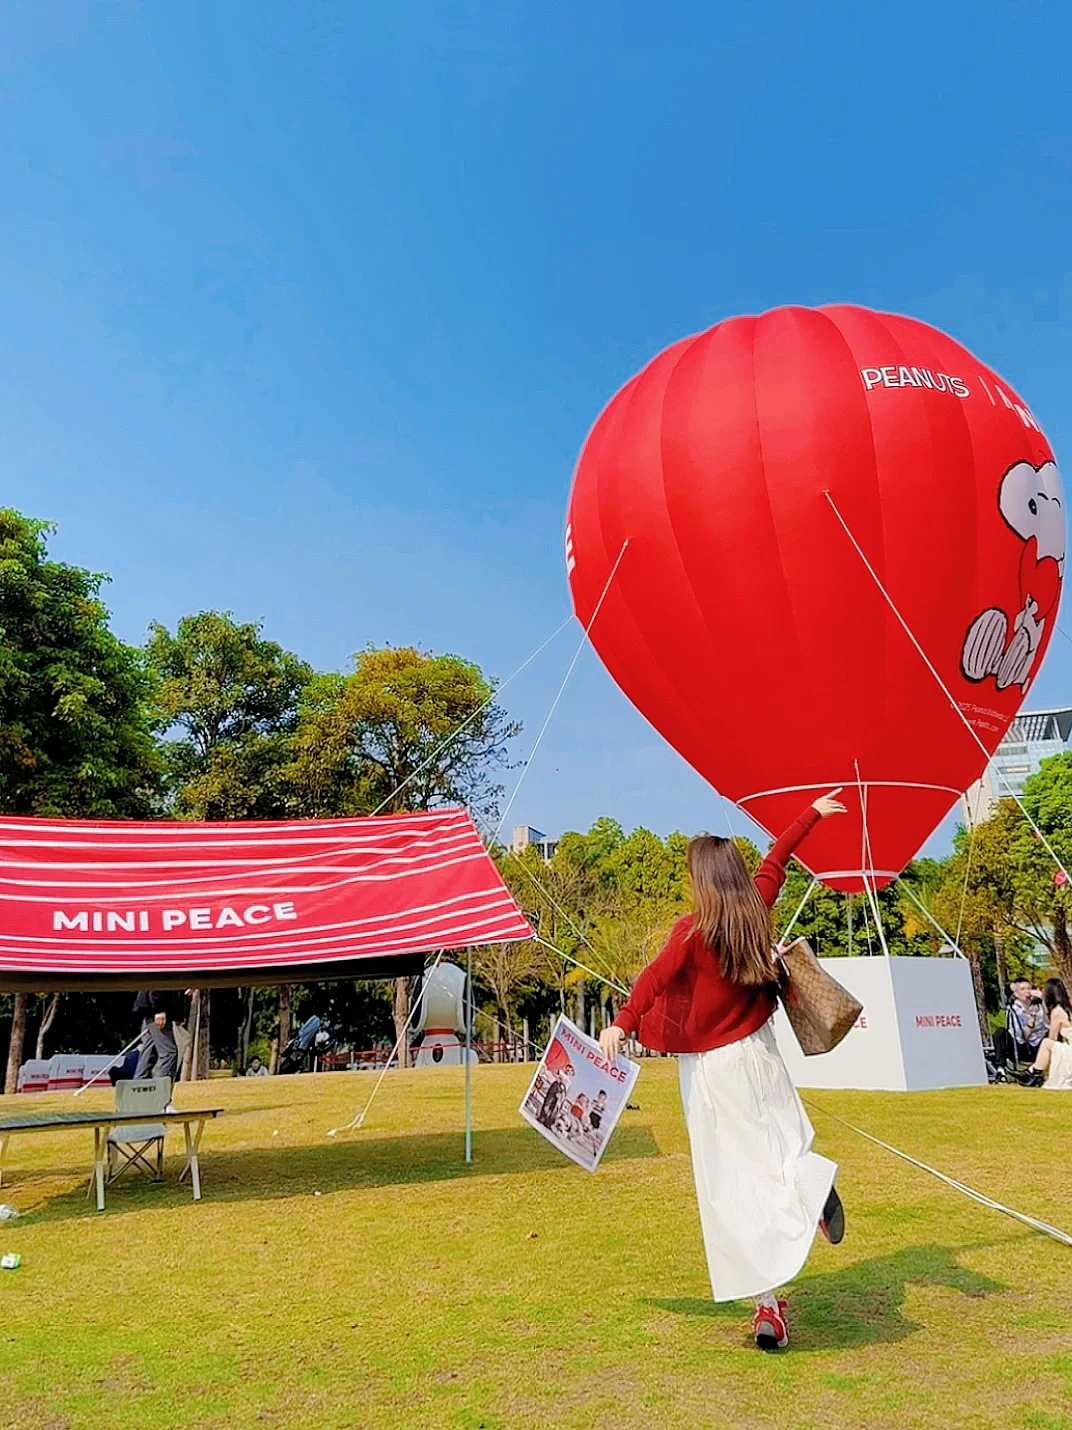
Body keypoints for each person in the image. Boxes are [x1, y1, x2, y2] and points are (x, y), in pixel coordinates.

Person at [600, 790, 847, 1352]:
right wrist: (812, 814)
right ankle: (811, 1190)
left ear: (702, 880)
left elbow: (651, 979)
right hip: (762, 1055)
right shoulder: (755, 906)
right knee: (781, 1151)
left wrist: (621, 1023)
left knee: (733, 1186)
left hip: (714, 1072)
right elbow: (776, 860)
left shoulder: (693, 932)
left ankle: (768, 1305)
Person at [1022, 978, 1072, 1090]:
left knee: (1046, 1042)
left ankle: (1035, 1071)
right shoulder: (1067, 1008)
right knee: (1048, 1043)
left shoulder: (1057, 1012)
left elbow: (1052, 1037)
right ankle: (1035, 1071)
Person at [133, 990, 188, 1082]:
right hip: (156, 1008)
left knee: (149, 1052)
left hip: (151, 1007)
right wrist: (158, 1009)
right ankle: (161, 1092)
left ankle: (136, 1088)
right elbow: (157, 982)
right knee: (169, 1053)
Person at [994, 979, 1049, 1069]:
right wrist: (1032, 1018)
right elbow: (1024, 1036)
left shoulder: (1040, 1006)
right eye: (1022, 989)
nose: (1027, 992)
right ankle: (1001, 1069)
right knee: (1000, 1033)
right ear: (1015, 993)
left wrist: (1043, 999)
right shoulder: (1013, 1009)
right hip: (1021, 1047)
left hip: (1039, 1044)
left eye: (1029, 988)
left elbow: (1051, 1022)